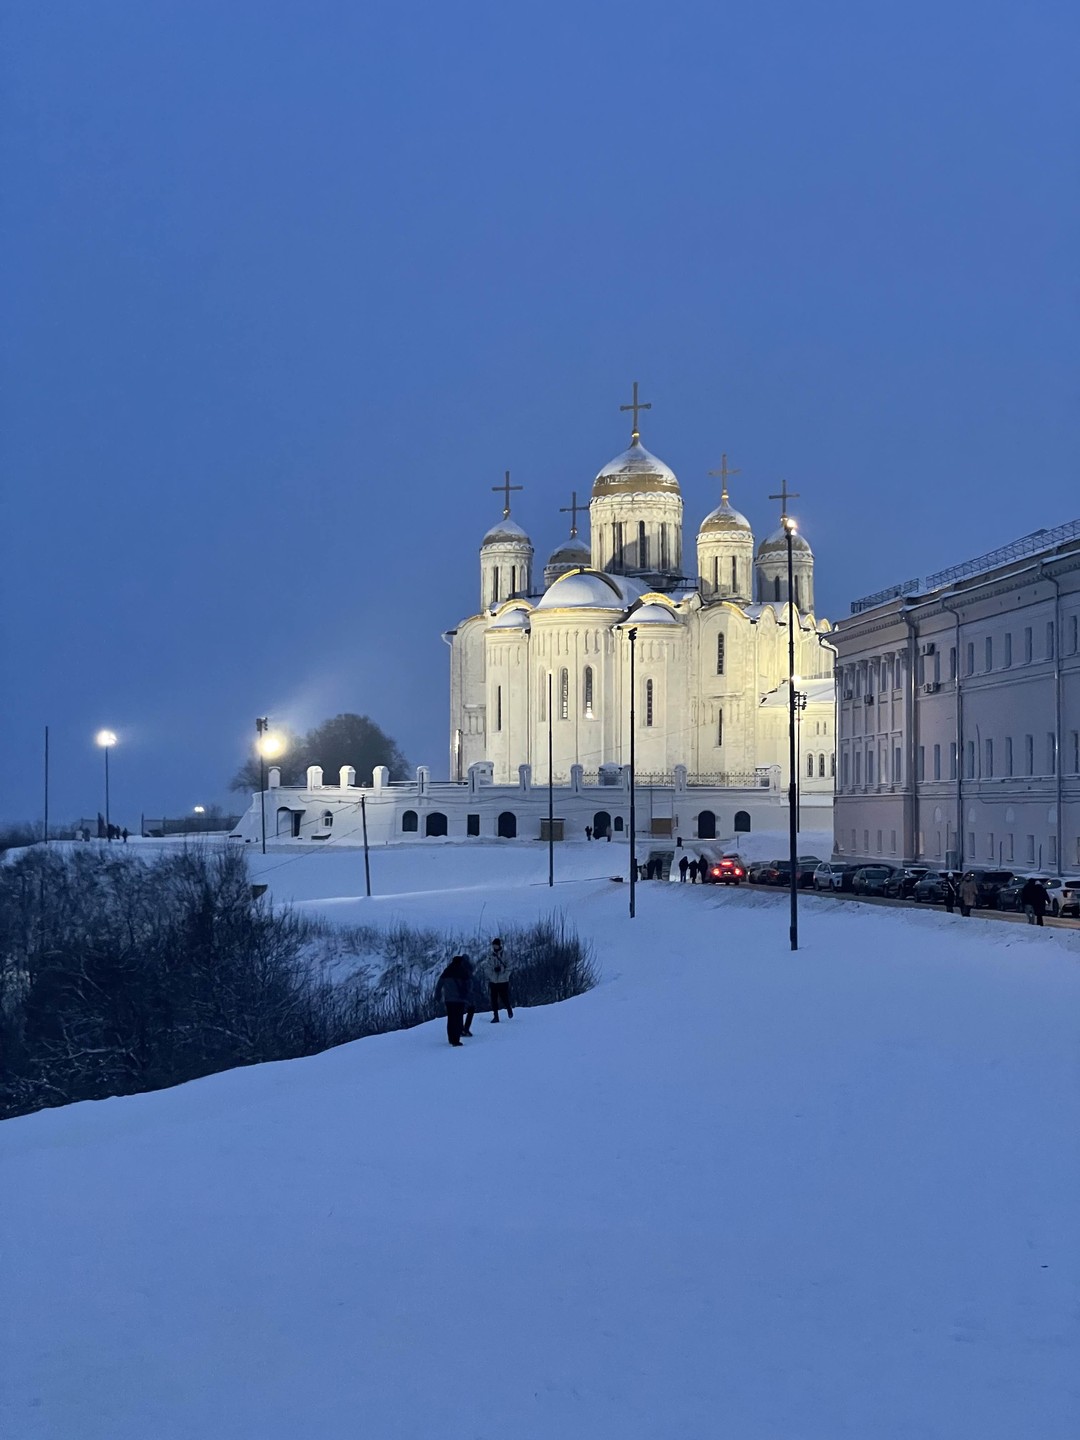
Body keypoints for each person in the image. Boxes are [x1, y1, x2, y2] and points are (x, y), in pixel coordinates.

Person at [434, 955, 470, 1046]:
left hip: (449, 1000)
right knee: (458, 1019)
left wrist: (438, 996)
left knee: (451, 1019)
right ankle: (456, 1040)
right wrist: (467, 995)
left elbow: (439, 985)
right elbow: (469, 985)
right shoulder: (463, 971)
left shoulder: (447, 971)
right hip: (460, 1000)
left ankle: (451, 1038)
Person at [485, 936, 514, 1022]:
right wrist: (491, 975)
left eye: (496, 945)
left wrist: (504, 973)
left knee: (504, 997)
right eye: (493, 945)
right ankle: (496, 1016)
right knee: (493, 999)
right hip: (493, 981)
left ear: (499, 945)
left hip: (503, 980)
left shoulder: (505, 954)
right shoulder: (490, 955)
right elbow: (487, 967)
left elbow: (509, 966)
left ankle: (509, 1009)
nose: (494, 947)